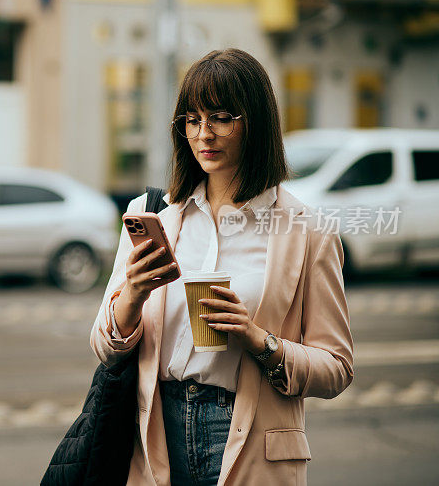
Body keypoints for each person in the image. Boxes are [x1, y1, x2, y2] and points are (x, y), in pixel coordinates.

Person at [90, 48, 353, 486]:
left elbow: (337, 367)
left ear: (256, 121)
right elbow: (103, 345)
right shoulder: (156, 214)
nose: (204, 134)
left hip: (247, 439)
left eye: (221, 117)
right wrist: (132, 296)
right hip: (156, 428)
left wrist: (258, 340)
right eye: (192, 119)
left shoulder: (307, 231)